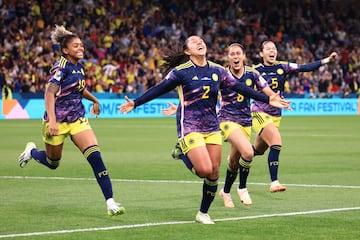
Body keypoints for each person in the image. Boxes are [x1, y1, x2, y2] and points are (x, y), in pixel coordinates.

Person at [119, 35, 289, 224]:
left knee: (214, 173)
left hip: (212, 126)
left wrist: (267, 98)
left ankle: (203, 213)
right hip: (190, 126)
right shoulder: (180, 72)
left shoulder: (218, 70)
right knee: (204, 170)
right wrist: (135, 102)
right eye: (194, 42)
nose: (199, 42)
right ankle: (182, 151)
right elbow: (159, 89)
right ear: (187, 51)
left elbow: (239, 87)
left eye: (201, 40)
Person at [18, 25, 125, 217]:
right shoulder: (61, 68)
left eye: (82, 46)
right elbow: (49, 93)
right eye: (76, 46)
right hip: (57, 121)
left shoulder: (79, 67)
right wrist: (52, 121)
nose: (81, 48)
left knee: (95, 156)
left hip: (77, 119)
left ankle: (110, 202)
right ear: (65, 50)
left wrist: (94, 99)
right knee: (53, 163)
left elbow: (78, 89)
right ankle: (32, 152)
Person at [163, 43, 284, 208]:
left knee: (234, 162)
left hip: (245, 122)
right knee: (248, 152)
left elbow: (266, 89)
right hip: (226, 120)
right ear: (228, 58)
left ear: (243, 56)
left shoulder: (252, 73)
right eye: (232, 54)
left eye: (238, 53)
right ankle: (242, 188)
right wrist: (179, 107)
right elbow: (199, 95)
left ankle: (225, 192)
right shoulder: (220, 74)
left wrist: (273, 98)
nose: (235, 56)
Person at [251, 40, 338, 192]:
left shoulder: (282, 66)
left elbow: (305, 68)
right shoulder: (254, 71)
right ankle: (274, 182)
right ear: (261, 53)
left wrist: (327, 60)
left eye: (274, 48)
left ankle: (236, 158)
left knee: (256, 151)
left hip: (276, 115)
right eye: (268, 49)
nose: (272, 51)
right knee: (276, 143)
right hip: (259, 112)